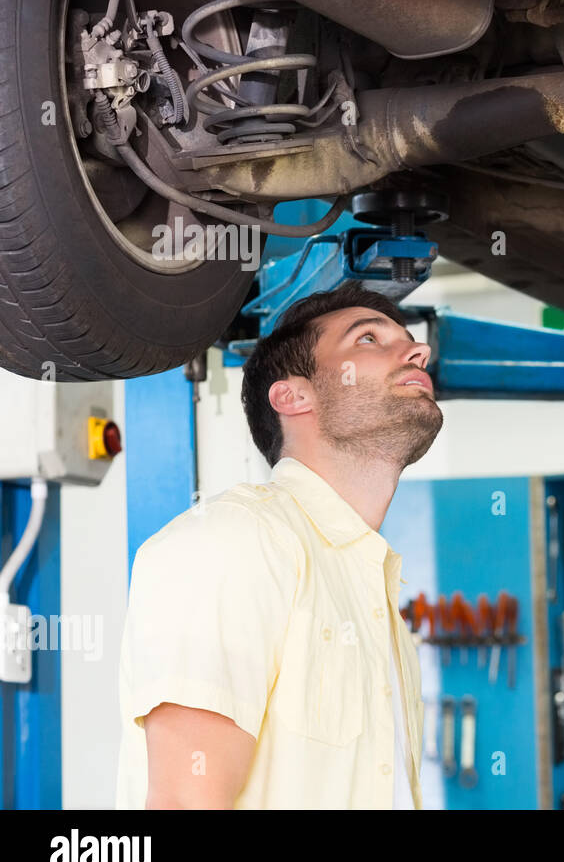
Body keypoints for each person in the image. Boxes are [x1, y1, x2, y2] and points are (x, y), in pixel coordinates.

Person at [116, 282, 442, 808]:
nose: (418, 350)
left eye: (409, 340)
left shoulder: (375, 600)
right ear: (293, 396)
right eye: (368, 339)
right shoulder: (232, 541)